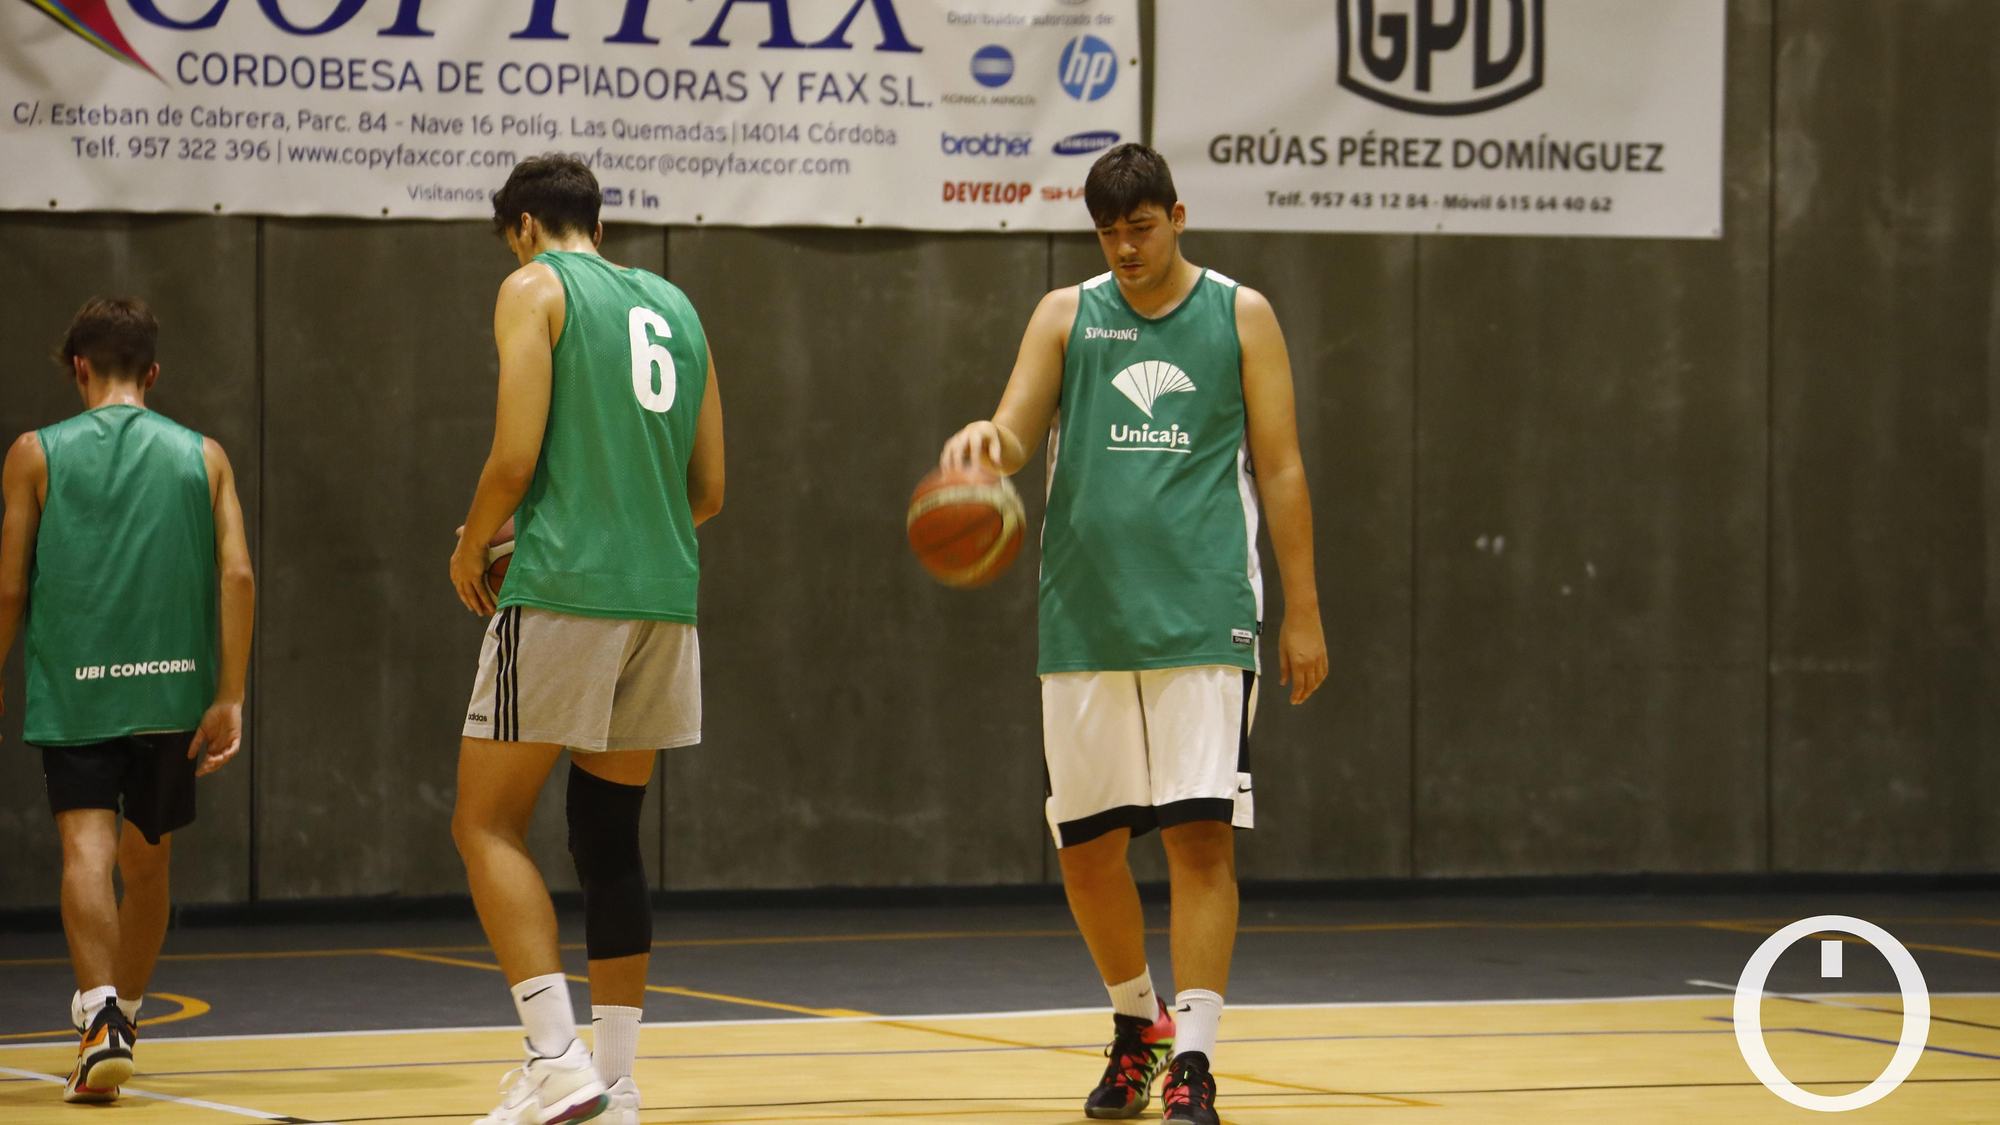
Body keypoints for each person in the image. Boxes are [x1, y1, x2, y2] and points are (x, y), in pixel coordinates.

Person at [939, 143, 1327, 1125]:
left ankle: (1192, 1060)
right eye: (1108, 232)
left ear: (1176, 216)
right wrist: (991, 444)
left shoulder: (1240, 315)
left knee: (1199, 838)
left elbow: (1277, 470)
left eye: (1139, 227)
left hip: (1202, 612)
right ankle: (1134, 1025)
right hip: (1085, 615)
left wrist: (1303, 610)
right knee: (1086, 850)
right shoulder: (1067, 314)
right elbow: (1018, 428)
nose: (1124, 247)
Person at [448, 154, 724, 1125]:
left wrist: (472, 543)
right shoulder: (678, 309)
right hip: (664, 597)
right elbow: (709, 488)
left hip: (566, 589)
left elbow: (515, 455)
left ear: (524, 227)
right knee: (608, 840)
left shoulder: (532, 288)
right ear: (594, 222)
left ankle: (554, 1059)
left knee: (484, 825)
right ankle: (618, 1083)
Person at [0, 296, 255, 1104]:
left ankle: (100, 1014)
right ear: (152, 373)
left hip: (76, 690)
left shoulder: (36, 454)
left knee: (87, 854)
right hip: (172, 693)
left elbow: (9, 585)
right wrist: (230, 696)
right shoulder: (203, 454)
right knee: (148, 867)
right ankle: (124, 1019)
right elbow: (239, 574)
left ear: (79, 368)